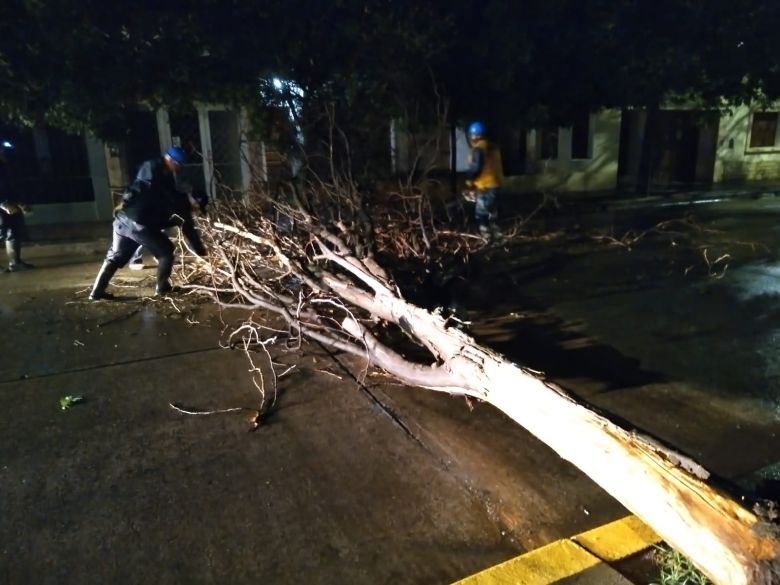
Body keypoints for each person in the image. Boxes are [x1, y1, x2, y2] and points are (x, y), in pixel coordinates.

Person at [88, 146, 207, 300]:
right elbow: (189, 230)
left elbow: (159, 196)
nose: (178, 169)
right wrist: (201, 253)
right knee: (166, 250)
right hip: (138, 223)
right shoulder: (154, 170)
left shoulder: (170, 187)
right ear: (196, 202)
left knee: (116, 256)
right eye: (198, 208)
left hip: (122, 220)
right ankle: (162, 289)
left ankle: (96, 293)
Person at [465, 121, 503, 241]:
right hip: (497, 185)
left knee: (481, 213)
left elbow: (476, 167)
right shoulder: (493, 147)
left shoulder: (479, 149)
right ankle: (498, 237)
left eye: (471, 135)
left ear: (474, 135)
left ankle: (486, 237)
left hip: (485, 187)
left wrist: (469, 183)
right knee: (493, 212)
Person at [0, 140, 34, 272]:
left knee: (14, 233)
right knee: (1, 233)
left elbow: (13, 185)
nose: (3, 151)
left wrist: (21, 202)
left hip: (12, 202)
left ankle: (15, 262)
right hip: (3, 204)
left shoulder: (7, 165)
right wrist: (2, 204)